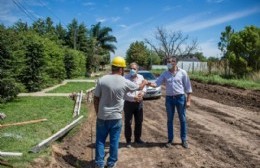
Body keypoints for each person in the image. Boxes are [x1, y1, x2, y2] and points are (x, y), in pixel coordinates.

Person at [94, 56, 148, 168]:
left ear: (112, 67)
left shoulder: (102, 80)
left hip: (102, 116)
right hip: (115, 117)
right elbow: (139, 87)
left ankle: (99, 163)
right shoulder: (124, 81)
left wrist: (97, 112)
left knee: (100, 141)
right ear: (121, 69)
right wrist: (145, 82)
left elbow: (96, 99)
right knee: (114, 142)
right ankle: (111, 163)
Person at [148, 56, 192, 149]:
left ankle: (184, 140)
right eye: (167, 62)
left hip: (180, 98)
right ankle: (170, 140)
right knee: (169, 120)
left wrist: (188, 100)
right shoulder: (165, 73)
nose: (167, 63)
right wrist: (148, 83)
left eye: (169, 62)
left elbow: (188, 87)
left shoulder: (183, 73)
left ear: (175, 63)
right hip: (169, 99)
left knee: (182, 119)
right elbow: (157, 83)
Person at [124, 62, 146, 148]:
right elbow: (125, 91)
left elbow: (144, 88)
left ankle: (137, 139)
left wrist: (142, 94)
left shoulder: (141, 77)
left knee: (139, 122)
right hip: (128, 103)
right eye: (131, 68)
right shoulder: (125, 78)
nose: (132, 70)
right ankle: (128, 141)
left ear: (137, 70)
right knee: (128, 123)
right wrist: (133, 97)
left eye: (134, 69)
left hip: (139, 104)